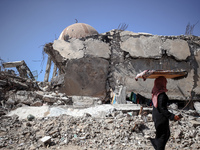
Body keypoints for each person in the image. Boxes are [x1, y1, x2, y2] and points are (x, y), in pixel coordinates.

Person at [150, 76, 181, 150]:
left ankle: (155, 143)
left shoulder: (155, 92)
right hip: (161, 117)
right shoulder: (161, 95)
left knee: (162, 134)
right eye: (165, 82)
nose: (166, 83)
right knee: (163, 135)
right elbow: (162, 108)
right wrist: (172, 116)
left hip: (156, 115)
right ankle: (158, 146)